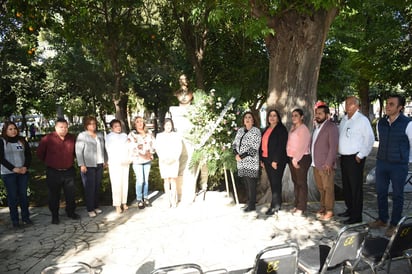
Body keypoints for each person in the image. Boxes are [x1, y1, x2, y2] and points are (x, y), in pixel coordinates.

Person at [369, 94, 412, 237]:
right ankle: (382, 219)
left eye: (391, 104)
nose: (387, 106)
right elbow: (380, 140)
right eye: (387, 103)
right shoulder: (381, 122)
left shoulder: (408, 123)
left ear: (400, 108)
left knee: (397, 195)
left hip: (399, 165)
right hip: (382, 162)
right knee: (381, 192)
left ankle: (394, 224)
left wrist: (407, 160)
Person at [338, 96, 375, 224]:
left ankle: (356, 216)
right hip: (344, 157)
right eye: (346, 103)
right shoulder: (344, 119)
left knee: (355, 187)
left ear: (357, 106)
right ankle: (350, 209)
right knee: (346, 186)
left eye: (350, 104)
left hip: (355, 158)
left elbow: (369, 139)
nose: (347, 106)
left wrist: (361, 155)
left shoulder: (362, 120)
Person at [37, 118, 80, 224]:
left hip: (68, 171)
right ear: (55, 127)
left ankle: (70, 212)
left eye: (66, 127)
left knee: (70, 193)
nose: (64, 129)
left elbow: (76, 152)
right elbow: (40, 154)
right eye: (61, 127)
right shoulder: (47, 139)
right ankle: (55, 215)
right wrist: (50, 162)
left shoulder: (71, 138)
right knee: (54, 194)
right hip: (53, 172)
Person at [0, 121, 32, 228]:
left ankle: (25, 218)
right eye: (10, 129)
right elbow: (1, 159)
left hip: (23, 172)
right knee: (13, 197)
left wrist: (25, 167)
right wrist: (14, 169)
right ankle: (15, 220)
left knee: (23, 195)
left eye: (14, 128)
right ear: (5, 130)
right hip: (9, 174)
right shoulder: (2, 141)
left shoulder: (21, 140)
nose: (13, 131)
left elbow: (28, 155)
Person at [75, 116, 107, 218]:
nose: (93, 126)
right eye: (90, 124)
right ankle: (90, 208)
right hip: (88, 165)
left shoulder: (100, 134)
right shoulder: (82, 136)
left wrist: (105, 160)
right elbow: (78, 151)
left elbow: (103, 148)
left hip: (99, 163)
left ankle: (96, 206)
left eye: (94, 123)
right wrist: (82, 164)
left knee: (97, 187)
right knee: (89, 188)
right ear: (86, 125)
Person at [311, 105, 339, 221]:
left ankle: (329, 210)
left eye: (320, 113)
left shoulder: (331, 127)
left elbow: (333, 147)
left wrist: (329, 163)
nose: (318, 115)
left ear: (327, 115)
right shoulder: (317, 127)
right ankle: (323, 207)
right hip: (315, 164)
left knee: (328, 188)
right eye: (317, 113)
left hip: (325, 165)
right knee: (321, 188)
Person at [260, 108, 288, 216]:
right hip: (266, 159)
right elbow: (262, 144)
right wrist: (262, 159)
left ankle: (275, 206)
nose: (272, 118)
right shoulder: (267, 128)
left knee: (276, 183)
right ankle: (277, 203)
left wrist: (275, 160)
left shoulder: (281, 129)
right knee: (272, 183)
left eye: (274, 116)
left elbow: (281, 146)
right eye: (270, 116)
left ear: (278, 118)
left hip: (276, 161)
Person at [233, 112, 262, 212]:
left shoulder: (256, 131)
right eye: (246, 117)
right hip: (240, 162)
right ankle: (249, 202)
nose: (247, 119)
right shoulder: (240, 130)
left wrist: (241, 156)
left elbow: (254, 148)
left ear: (253, 120)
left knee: (251, 184)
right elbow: (234, 144)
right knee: (246, 183)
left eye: (250, 117)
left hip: (250, 162)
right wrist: (236, 154)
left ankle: (252, 205)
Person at [286, 109, 311, 216]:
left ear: (301, 117)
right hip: (292, 158)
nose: (294, 117)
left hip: (301, 158)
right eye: (292, 116)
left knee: (301, 183)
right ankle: (297, 204)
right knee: (296, 182)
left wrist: (296, 159)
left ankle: (301, 207)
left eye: (296, 115)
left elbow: (303, 145)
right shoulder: (293, 128)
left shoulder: (303, 129)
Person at [105, 119, 131, 214]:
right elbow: (111, 149)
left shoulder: (124, 136)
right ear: (112, 128)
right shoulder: (109, 137)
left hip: (125, 162)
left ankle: (124, 202)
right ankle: (117, 204)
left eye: (119, 126)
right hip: (115, 163)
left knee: (125, 183)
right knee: (116, 184)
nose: (118, 128)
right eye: (115, 126)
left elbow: (129, 146)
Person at [128, 116, 155, 209]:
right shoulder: (132, 134)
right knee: (140, 180)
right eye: (137, 122)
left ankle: (146, 197)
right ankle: (139, 199)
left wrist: (151, 153)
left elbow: (153, 144)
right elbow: (131, 147)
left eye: (141, 121)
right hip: (137, 160)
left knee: (146, 180)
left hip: (147, 160)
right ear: (134, 124)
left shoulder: (149, 133)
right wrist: (141, 154)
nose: (140, 123)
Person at [155, 119, 182, 208]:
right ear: (163, 126)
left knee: (173, 180)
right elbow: (158, 148)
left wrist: (174, 158)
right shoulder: (159, 136)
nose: (168, 126)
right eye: (166, 125)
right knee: (166, 180)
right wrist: (164, 159)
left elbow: (179, 148)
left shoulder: (176, 135)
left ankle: (174, 199)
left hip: (174, 160)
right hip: (164, 161)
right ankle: (167, 200)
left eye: (170, 125)